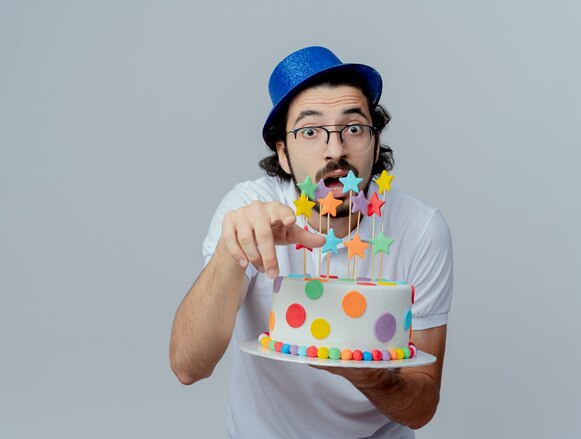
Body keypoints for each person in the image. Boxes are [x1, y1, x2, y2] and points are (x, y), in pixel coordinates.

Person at [169, 46, 453, 438]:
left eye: (353, 128)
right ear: (282, 154)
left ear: (375, 141)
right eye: (310, 132)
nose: (335, 150)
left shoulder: (420, 229)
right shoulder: (248, 211)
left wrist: (365, 373)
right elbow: (188, 367)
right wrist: (229, 254)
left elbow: (421, 407)